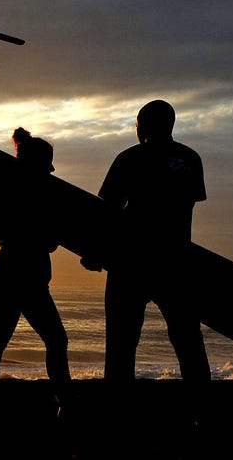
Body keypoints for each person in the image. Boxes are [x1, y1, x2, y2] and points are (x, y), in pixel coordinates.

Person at [85, 99, 210, 383]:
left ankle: (119, 410)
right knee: (188, 342)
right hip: (176, 261)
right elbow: (189, 202)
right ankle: (201, 411)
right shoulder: (190, 158)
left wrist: (94, 251)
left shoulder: (129, 158)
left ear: (143, 127)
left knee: (120, 345)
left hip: (130, 262)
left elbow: (107, 211)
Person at [0, 128, 71, 400]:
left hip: (8, 269)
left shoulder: (4, 188)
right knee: (54, 339)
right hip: (29, 274)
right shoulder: (46, 195)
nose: (51, 170)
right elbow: (52, 242)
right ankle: (64, 399)